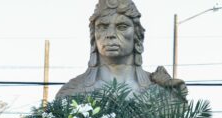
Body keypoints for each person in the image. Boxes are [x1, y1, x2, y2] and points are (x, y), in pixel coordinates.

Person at [56, 0, 187, 99]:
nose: (110, 34)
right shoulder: (71, 93)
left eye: (122, 26)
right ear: (93, 36)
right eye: (102, 26)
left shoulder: (164, 95)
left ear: (137, 37)